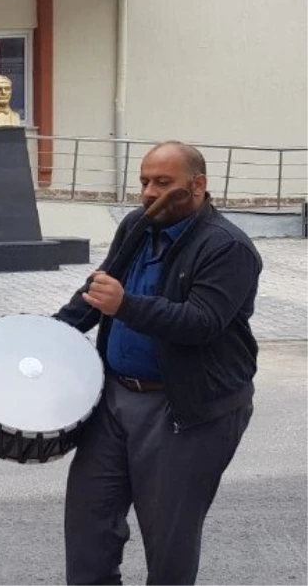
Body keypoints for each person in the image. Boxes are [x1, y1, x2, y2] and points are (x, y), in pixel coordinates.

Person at [54, 141, 261, 586]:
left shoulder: (228, 247)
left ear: (198, 185)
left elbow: (203, 322)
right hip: (113, 398)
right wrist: (47, 337)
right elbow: (98, 291)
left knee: (169, 540)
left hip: (186, 409)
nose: (149, 193)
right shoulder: (137, 224)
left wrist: (125, 304)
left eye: (164, 183)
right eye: (145, 181)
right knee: (89, 525)